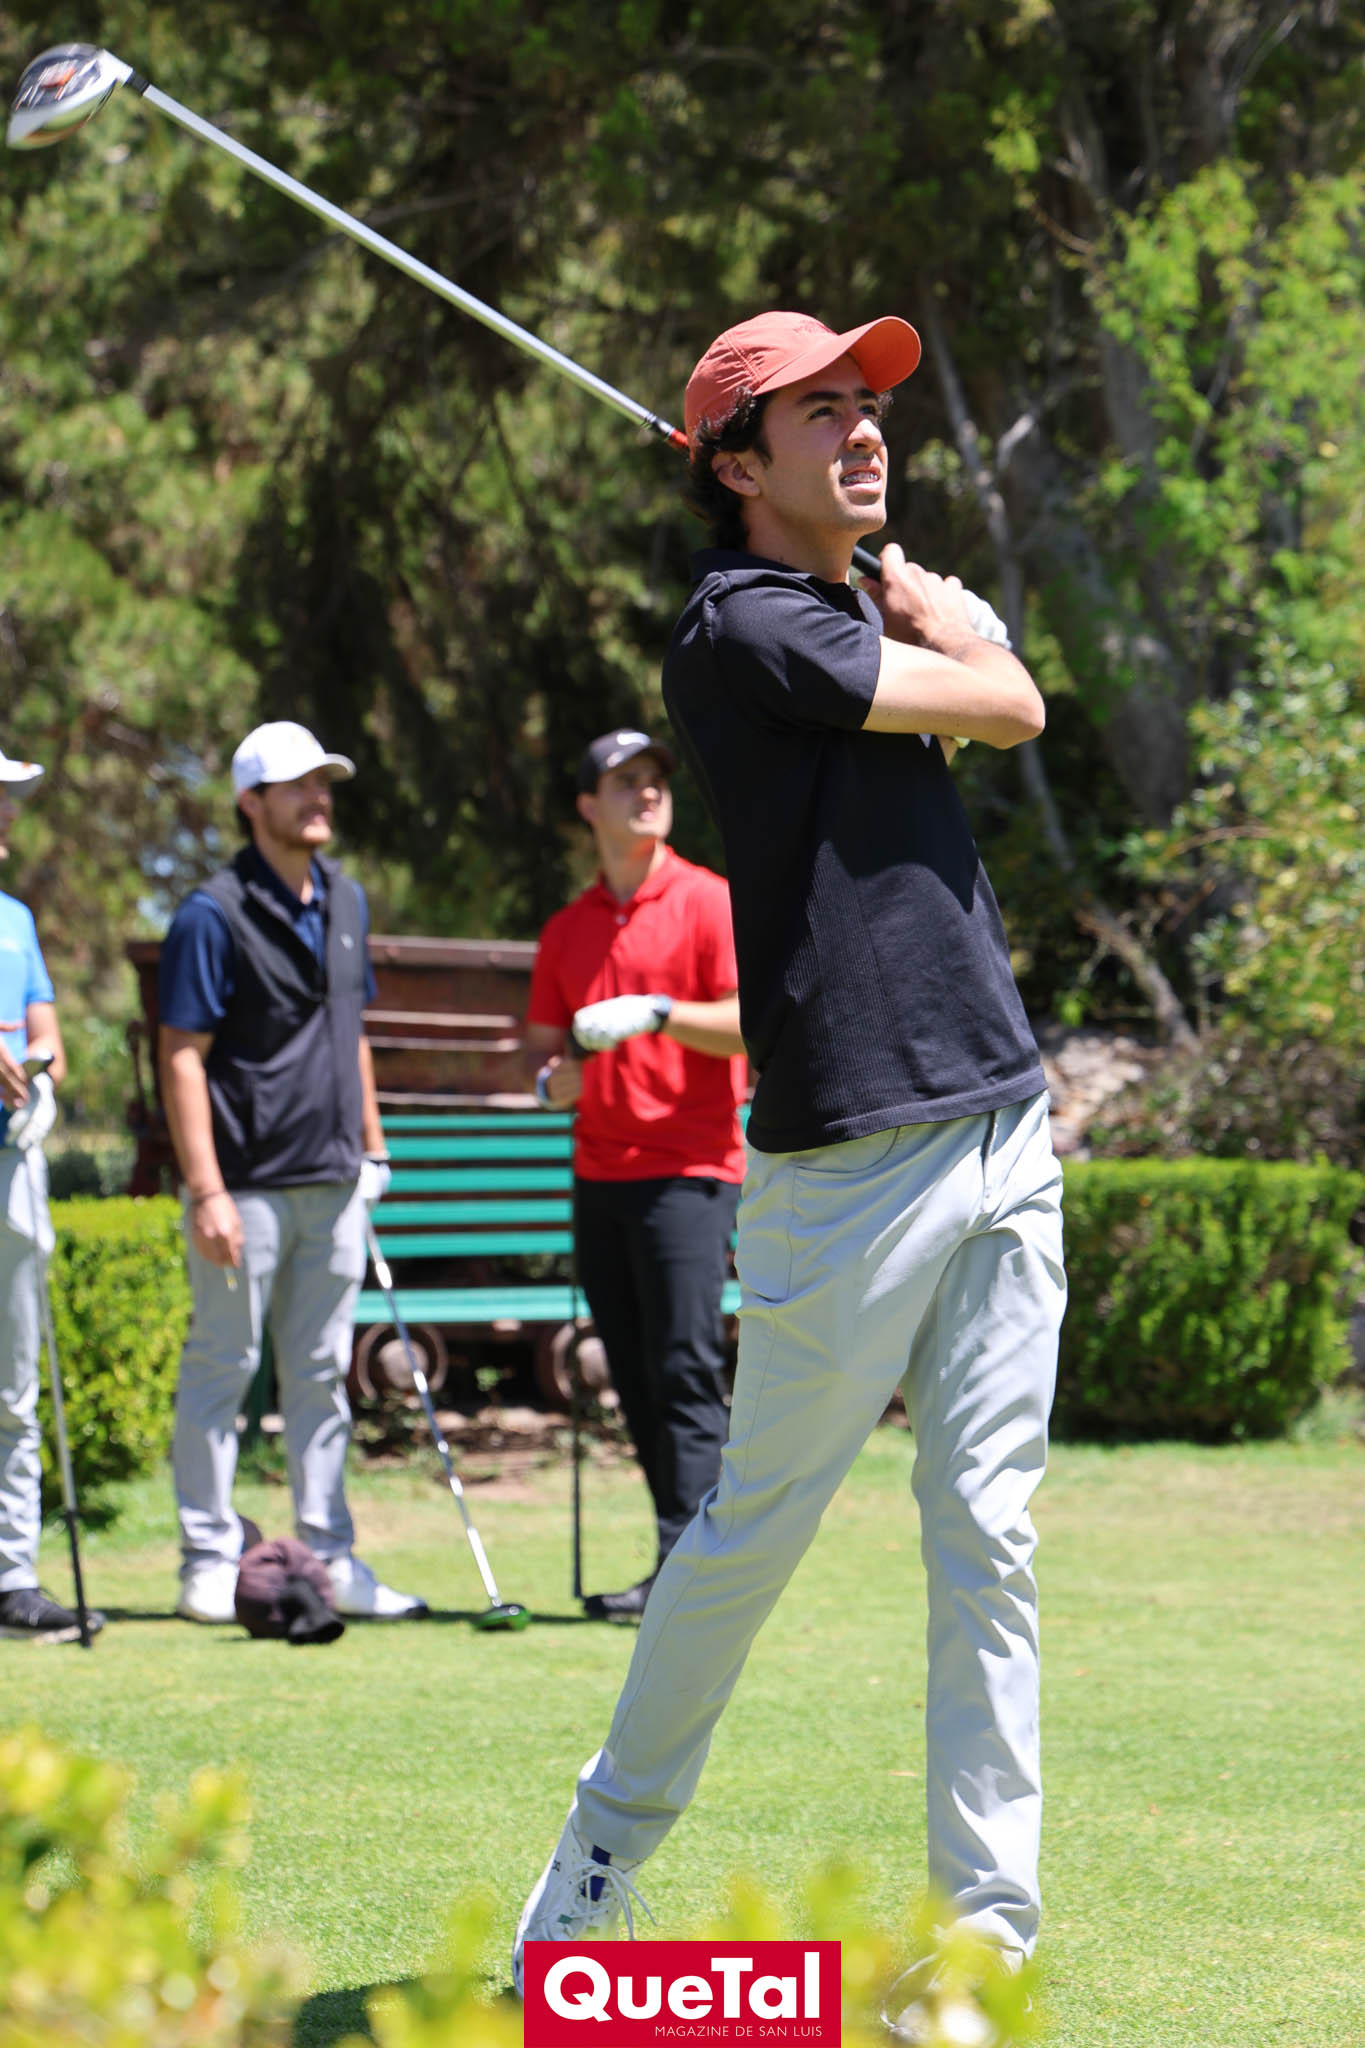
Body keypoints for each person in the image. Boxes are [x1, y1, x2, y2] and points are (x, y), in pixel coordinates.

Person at [513, 311, 1066, 2038]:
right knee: (752, 1528)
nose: (865, 429)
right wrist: (944, 618)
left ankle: (984, 1930)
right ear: (736, 464)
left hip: (1002, 1118)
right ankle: (594, 1869)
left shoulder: (844, 607)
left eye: (869, 403)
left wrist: (912, 602)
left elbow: (974, 711)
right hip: (851, 1164)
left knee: (990, 1537)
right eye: (819, 412)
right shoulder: (740, 624)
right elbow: (1014, 702)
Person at [158, 720, 426, 1625]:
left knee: (320, 1374)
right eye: (299, 786)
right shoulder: (211, 913)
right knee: (223, 1366)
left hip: (334, 1178)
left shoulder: (345, 899)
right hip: (245, 1184)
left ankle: (328, 1555)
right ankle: (206, 1558)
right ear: (252, 802)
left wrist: (373, 1148)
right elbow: (182, 1053)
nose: (318, 799)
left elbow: (351, 1033)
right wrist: (206, 1190)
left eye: (325, 784)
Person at [524, 727, 748, 1620]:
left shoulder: (708, 901)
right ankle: (679, 1560)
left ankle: (700, 1579)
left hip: (690, 1170)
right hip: (600, 1174)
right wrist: (553, 1083)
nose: (646, 791)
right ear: (589, 807)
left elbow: (746, 1024)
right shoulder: (567, 929)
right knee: (633, 1371)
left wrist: (659, 1013)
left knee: (684, 1368)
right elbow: (542, 1054)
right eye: (624, 781)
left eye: (655, 778)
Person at [0, 744, 106, 1645]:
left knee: (14, 1384)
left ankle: (13, 1576)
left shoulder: (16, 920)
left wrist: (42, 1084)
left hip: (13, 1165)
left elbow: (49, 1040)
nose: (7, 811)